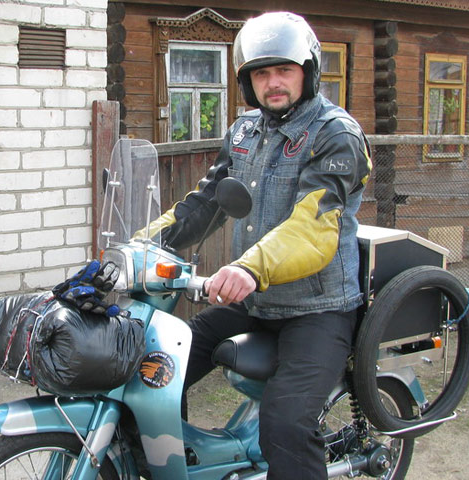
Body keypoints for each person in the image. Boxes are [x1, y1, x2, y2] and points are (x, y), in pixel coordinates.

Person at [145, 11, 371, 479]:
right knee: (158, 371)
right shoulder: (245, 131)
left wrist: (248, 268)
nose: (273, 83)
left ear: (307, 71)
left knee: (286, 423)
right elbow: (205, 202)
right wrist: (137, 247)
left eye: (284, 70)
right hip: (256, 301)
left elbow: (312, 227)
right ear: (248, 82)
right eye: (261, 73)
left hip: (319, 308)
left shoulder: (336, 134)